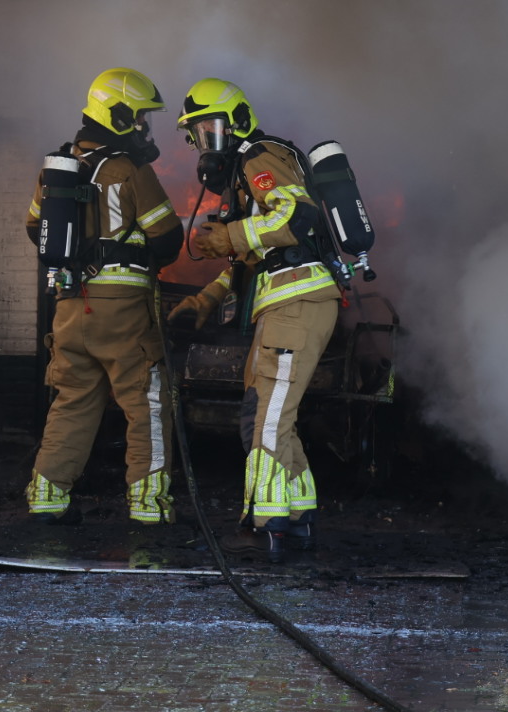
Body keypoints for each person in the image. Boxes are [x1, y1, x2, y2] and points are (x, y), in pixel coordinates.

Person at [168, 78, 340, 561]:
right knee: (267, 416)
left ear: (238, 121)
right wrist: (206, 300)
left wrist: (230, 235)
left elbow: (295, 216)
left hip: (298, 301)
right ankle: (296, 517)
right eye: (198, 135)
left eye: (212, 129)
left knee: (265, 420)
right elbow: (251, 263)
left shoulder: (258, 156)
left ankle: (264, 527)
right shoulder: (245, 175)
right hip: (283, 303)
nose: (207, 144)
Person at [24, 68, 183, 525]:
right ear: (117, 114)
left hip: (71, 307)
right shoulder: (129, 169)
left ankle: (46, 500)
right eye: (139, 118)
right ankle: (149, 507)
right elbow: (167, 238)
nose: (143, 128)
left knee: (73, 399)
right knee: (146, 401)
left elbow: (35, 228)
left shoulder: (56, 168)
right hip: (123, 310)